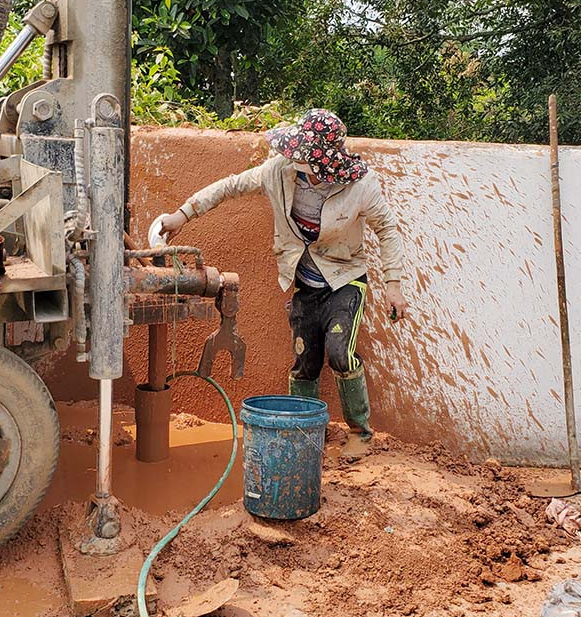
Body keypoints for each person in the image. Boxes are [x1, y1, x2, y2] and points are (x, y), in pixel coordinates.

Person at [159, 109, 407, 440]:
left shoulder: (360, 186)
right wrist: (182, 214)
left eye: (304, 160)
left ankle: (361, 434)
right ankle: (305, 434)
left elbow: (387, 229)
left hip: (345, 279)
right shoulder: (278, 171)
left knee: (339, 353)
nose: (295, 164)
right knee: (305, 360)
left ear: (325, 164)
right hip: (304, 282)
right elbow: (229, 186)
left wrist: (393, 284)